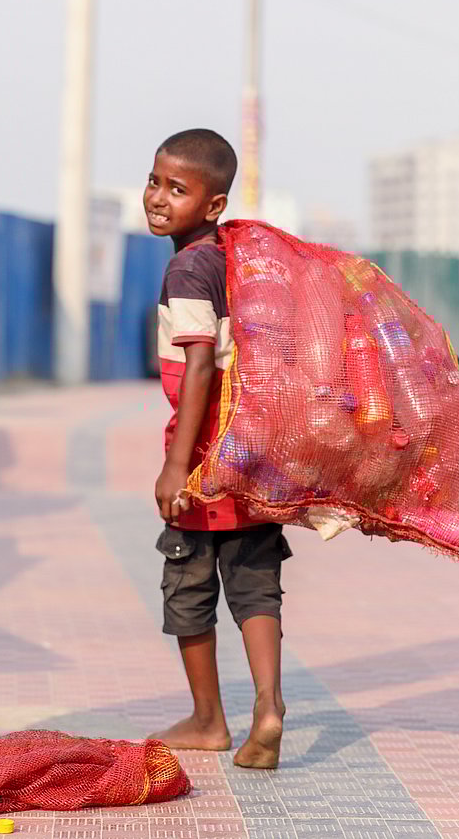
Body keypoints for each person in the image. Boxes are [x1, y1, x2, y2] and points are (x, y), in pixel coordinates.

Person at [146, 129, 290, 770]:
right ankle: (269, 705)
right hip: (254, 453)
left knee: (188, 583)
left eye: (177, 189)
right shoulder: (232, 257)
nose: (157, 198)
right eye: (154, 181)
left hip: (205, 456)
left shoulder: (187, 267)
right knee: (257, 584)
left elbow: (200, 364)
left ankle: (209, 720)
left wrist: (178, 464)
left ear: (213, 204)